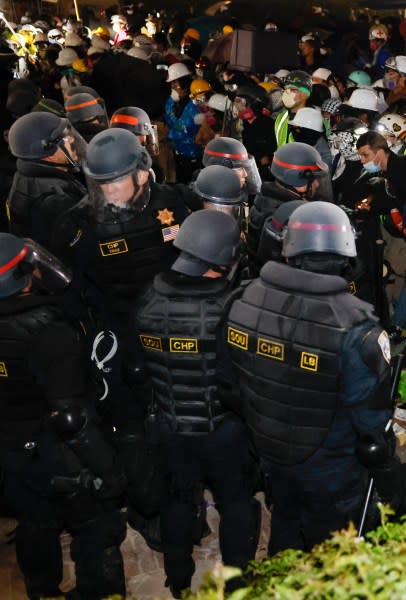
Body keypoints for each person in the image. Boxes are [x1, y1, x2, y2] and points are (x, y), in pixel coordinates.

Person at [51, 128, 198, 549]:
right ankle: (148, 509)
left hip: (175, 328)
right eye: (101, 183)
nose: (109, 190)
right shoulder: (77, 224)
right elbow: (70, 293)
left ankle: (182, 503)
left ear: (142, 174)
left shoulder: (175, 203)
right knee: (134, 430)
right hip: (121, 338)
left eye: (116, 180)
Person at [224, 201, 393, 553]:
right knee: (335, 557)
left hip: (269, 452)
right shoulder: (356, 325)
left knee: (285, 530)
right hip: (331, 467)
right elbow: (371, 419)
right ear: (346, 251)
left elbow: (229, 380)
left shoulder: (244, 299)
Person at [134, 210, 260, 597]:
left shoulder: (148, 298)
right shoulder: (234, 306)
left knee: (177, 502)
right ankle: (237, 581)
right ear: (221, 260)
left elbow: (137, 370)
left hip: (170, 427)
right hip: (224, 429)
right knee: (237, 504)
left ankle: (178, 576)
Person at [0, 234, 127, 599]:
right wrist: (108, 469)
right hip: (58, 455)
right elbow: (69, 415)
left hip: (12, 452)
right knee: (97, 530)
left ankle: (43, 592)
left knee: (35, 526)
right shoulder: (47, 331)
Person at [5, 112, 87, 247]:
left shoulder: (24, 175)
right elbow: (81, 250)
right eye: (65, 138)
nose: (71, 139)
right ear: (49, 154)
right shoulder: (56, 201)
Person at [247, 142, 331, 270]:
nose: (317, 184)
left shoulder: (265, 200)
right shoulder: (287, 217)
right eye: (314, 179)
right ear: (298, 181)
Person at [164, 62, 202, 183]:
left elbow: (188, 127)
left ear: (184, 82)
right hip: (178, 153)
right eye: (172, 83)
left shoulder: (195, 104)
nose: (173, 86)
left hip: (192, 154)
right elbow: (170, 120)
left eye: (176, 82)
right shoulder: (172, 102)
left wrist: (170, 134)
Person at [273, 70, 312, 148]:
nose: (287, 92)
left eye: (293, 89)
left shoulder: (312, 120)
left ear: (305, 94)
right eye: (286, 89)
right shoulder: (281, 117)